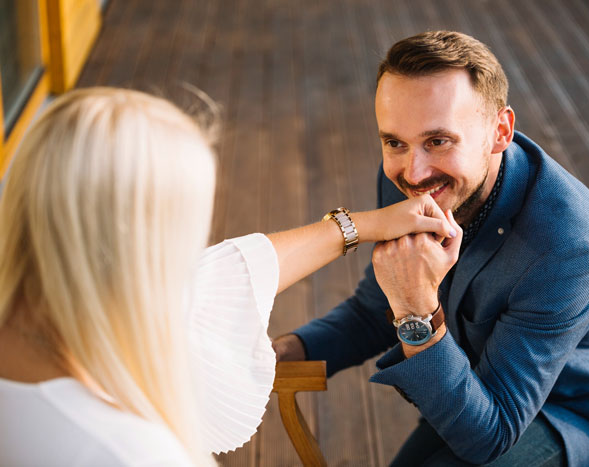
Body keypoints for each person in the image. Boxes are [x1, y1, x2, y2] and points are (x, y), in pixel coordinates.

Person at [0, 87, 459, 466]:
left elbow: (224, 275)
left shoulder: (52, 312)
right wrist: (418, 307)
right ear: (143, 248)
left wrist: (366, 224)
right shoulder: (129, 453)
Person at [273, 31, 589, 466]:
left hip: (580, 417)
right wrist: (292, 351)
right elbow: (374, 308)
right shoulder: (406, 178)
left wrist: (415, 310)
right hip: (474, 383)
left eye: (438, 141)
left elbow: (490, 437)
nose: (414, 173)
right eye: (395, 142)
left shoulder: (570, 247)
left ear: (500, 132)